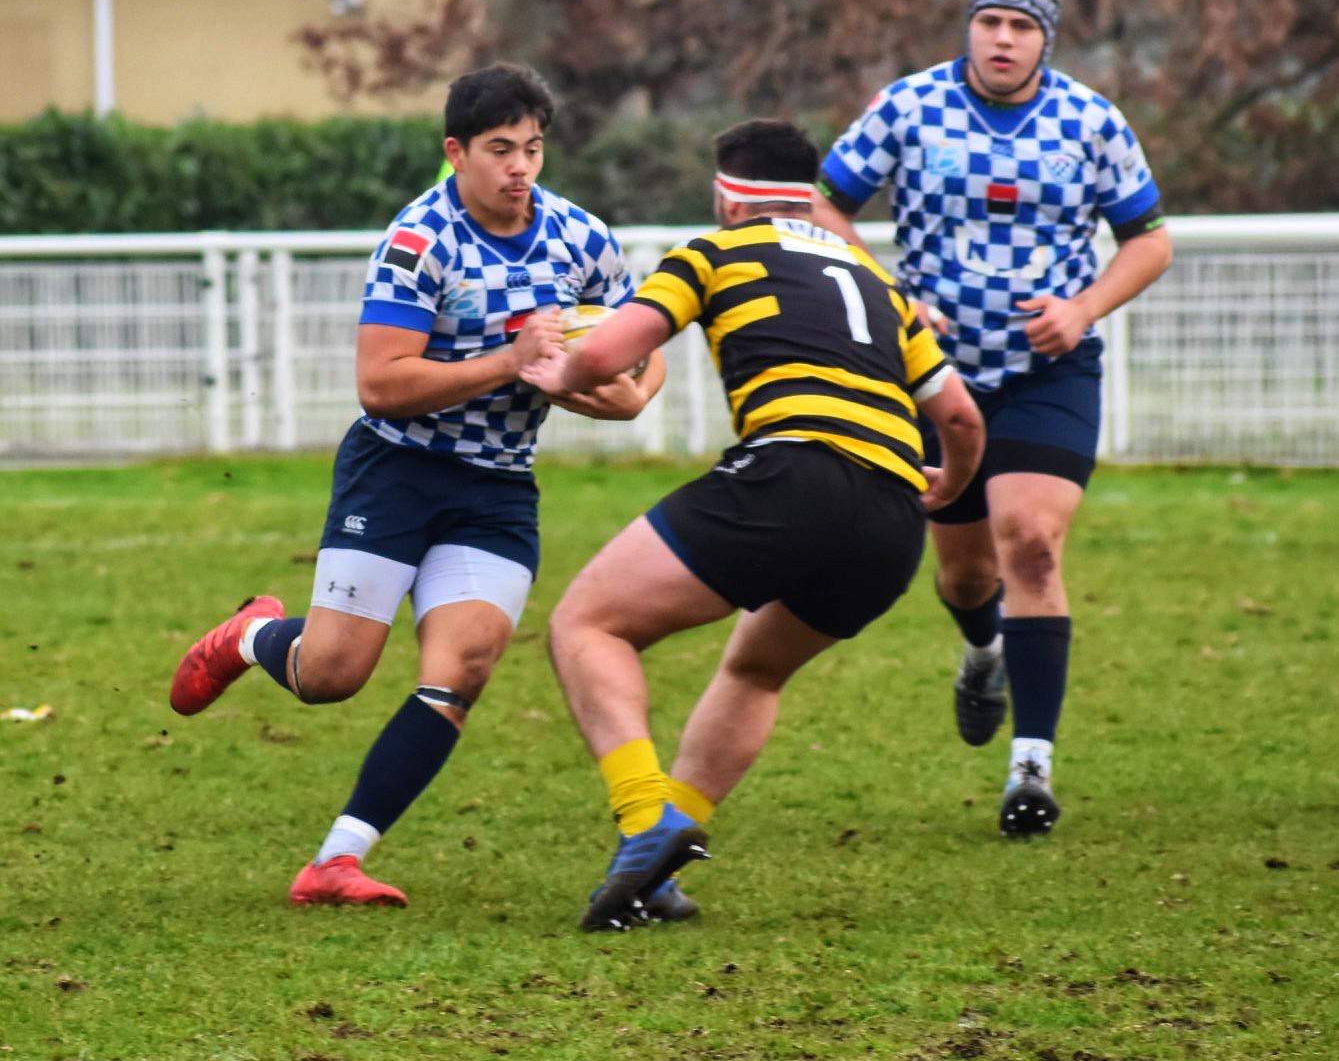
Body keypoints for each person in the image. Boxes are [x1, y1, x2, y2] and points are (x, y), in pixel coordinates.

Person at [169, 63, 668, 909]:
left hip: (498, 484)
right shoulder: (419, 241)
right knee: (332, 674)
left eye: (534, 149)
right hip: (397, 468)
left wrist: (608, 391)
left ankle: (335, 859)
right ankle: (256, 635)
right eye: (501, 149)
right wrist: (508, 363)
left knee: (462, 667)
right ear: (457, 152)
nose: (521, 168)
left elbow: (640, 369)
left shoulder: (583, 239)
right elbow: (381, 382)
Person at [518, 118, 983, 930]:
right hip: (890, 521)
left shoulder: (713, 250)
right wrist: (949, 486)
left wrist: (560, 367)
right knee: (756, 669)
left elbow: (614, 349)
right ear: (805, 198)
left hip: (792, 473)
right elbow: (962, 416)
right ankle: (660, 865)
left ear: (728, 196)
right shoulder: (881, 286)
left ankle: (642, 818)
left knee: (587, 623)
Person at [807, 0, 1172, 836]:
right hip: (935, 378)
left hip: (1050, 370)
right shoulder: (909, 107)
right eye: (990, 23)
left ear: (1047, 37)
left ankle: (1031, 769)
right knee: (966, 571)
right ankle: (983, 651)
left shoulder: (1092, 122)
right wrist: (888, 296)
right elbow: (820, 204)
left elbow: (1150, 242)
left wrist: (1081, 309)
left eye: (1022, 26)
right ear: (968, 27)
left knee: (1033, 545)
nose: (1003, 39)